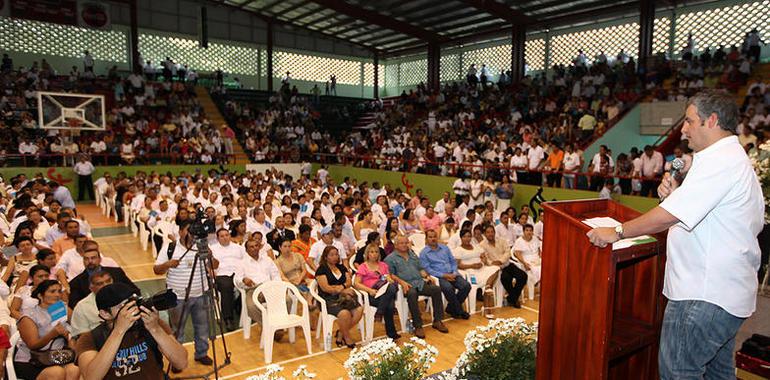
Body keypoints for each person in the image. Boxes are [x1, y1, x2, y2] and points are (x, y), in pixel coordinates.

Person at [587, 91, 764, 379]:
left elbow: (671, 216)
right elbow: (703, 214)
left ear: (712, 120)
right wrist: (676, 194)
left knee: (678, 373)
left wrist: (617, 231)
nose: (682, 129)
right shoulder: (725, 159)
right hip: (720, 293)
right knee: (716, 375)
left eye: (689, 121)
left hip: (703, 294)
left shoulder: (721, 162)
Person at [75, 283, 188, 380]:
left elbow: (181, 362)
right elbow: (91, 377)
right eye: (123, 306)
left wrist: (155, 329)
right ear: (105, 314)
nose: (132, 310)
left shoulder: (152, 324)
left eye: (133, 303)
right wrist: (119, 331)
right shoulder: (91, 338)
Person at [153, 220, 214, 366]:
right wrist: (168, 264)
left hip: (201, 294)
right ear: (180, 232)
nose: (192, 234)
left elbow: (214, 265)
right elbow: (156, 270)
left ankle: (201, 353)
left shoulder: (201, 246)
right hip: (177, 297)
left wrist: (210, 256)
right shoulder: (170, 247)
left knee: (203, 327)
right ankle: (176, 359)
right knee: (177, 330)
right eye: (188, 230)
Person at [14, 280, 80, 380]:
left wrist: (70, 337)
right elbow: (33, 345)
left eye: (59, 291)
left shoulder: (61, 308)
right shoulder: (29, 315)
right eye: (52, 291)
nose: (57, 294)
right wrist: (52, 334)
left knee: (74, 369)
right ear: (40, 296)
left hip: (58, 357)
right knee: (57, 372)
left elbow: (79, 328)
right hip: (32, 359)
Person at [385, 236, 448, 338]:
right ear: (396, 245)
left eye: (406, 243)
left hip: (419, 282)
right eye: (401, 243)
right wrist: (402, 283)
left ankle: (438, 320)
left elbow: (420, 268)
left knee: (436, 289)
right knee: (412, 294)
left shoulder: (413, 254)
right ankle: (418, 325)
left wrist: (427, 276)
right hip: (406, 285)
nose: (404, 245)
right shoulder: (390, 258)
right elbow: (391, 275)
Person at [314, 246, 363, 348]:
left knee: (359, 310)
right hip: (328, 299)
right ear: (326, 257)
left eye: (336, 254)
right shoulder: (321, 270)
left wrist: (342, 287)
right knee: (345, 314)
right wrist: (342, 290)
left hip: (344, 297)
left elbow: (349, 281)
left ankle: (341, 332)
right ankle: (347, 337)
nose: (335, 257)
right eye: (332, 255)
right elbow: (326, 288)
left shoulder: (341, 267)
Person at [68, 240, 138, 309]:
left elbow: (134, 290)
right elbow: (74, 305)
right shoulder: (76, 283)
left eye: (93, 258)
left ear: (100, 259)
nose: (90, 261)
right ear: (83, 261)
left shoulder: (117, 272)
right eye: (86, 259)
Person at [235, 238, 283, 336]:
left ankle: (277, 325)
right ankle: (269, 326)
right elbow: (237, 279)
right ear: (247, 250)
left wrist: (276, 286)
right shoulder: (242, 263)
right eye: (251, 247)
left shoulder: (267, 260)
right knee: (251, 307)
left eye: (256, 246)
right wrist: (244, 280)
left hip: (269, 288)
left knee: (287, 300)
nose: (254, 248)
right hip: (253, 289)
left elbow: (276, 275)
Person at [419, 230, 471, 319]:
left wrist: (454, 273)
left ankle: (451, 308)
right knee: (448, 288)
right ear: (426, 239)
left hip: (452, 273)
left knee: (466, 286)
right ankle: (459, 311)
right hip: (439, 277)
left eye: (434, 236)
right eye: (430, 237)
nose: (433, 239)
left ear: (437, 237)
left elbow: (453, 261)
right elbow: (428, 270)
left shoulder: (445, 248)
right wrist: (444, 275)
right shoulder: (424, 253)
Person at [353, 244, 400, 341]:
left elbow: (390, 281)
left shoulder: (383, 265)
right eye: (371, 252)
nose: (374, 254)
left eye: (376, 252)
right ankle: (391, 333)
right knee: (390, 305)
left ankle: (379, 312)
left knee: (392, 287)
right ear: (367, 254)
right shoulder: (363, 266)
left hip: (384, 292)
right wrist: (369, 290)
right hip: (371, 294)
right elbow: (356, 284)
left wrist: (388, 278)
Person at [452, 229, 500, 316]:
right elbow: (458, 265)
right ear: (461, 238)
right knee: (482, 280)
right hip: (470, 271)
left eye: (469, 236)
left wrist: (482, 262)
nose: (467, 239)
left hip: (481, 268)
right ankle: (486, 307)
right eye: (465, 237)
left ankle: (487, 287)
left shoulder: (476, 247)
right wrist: (471, 266)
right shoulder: (458, 250)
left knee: (496, 269)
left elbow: (483, 258)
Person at [479, 224, 527, 308]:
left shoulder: (502, 241)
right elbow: (485, 258)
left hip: (506, 264)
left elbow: (507, 252)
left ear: (494, 232)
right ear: (484, 234)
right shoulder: (482, 245)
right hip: (495, 268)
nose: (490, 234)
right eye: (488, 232)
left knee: (523, 276)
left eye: (492, 232)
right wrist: (493, 263)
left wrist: (500, 261)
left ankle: (511, 298)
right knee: (505, 278)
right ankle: (514, 299)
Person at [209, 228, 246, 332]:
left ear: (230, 236)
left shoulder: (238, 248)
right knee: (226, 286)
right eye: (222, 236)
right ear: (217, 238)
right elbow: (210, 265)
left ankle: (238, 305)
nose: (225, 238)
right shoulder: (212, 249)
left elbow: (246, 260)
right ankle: (228, 318)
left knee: (248, 283)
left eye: (227, 235)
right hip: (222, 273)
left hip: (238, 272)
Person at [69, 270, 113, 337]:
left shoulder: (124, 296)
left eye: (108, 281)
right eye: (100, 284)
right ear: (91, 288)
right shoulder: (82, 307)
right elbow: (81, 335)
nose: (106, 285)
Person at [512, 224, 541, 300]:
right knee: (533, 269)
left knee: (546, 267)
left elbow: (539, 252)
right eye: (527, 230)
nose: (529, 232)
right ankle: (536, 282)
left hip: (537, 259)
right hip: (526, 260)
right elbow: (517, 254)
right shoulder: (519, 241)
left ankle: (540, 284)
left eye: (530, 230)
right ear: (523, 231)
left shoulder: (535, 239)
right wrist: (524, 263)